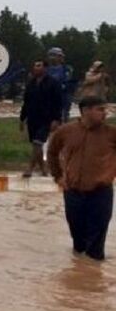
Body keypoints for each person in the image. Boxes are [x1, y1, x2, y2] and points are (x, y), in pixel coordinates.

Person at [48, 96, 116, 261]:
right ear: (85, 111)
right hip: (73, 192)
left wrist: (111, 172)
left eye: (104, 109)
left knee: (95, 246)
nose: (104, 113)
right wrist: (57, 176)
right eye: (100, 109)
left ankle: (93, 278)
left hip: (101, 193)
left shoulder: (111, 133)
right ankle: (80, 274)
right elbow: (52, 152)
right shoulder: (66, 131)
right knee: (78, 241)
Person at [19, 59, 63, 178]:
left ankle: (30, 168)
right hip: (33, 118)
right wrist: (22, 119)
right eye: (35, 66)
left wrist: (56, 119)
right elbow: (26, 102)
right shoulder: (31, 84)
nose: (36, 68)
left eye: (39, 66)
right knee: (35, 143)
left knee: (38, 142)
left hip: (46, 119)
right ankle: (43, 168)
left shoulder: (53, 83)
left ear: (45, 68)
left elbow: (58, 102)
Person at [46, 47, 76, 122]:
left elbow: (68, 82)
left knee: (63, 117)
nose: (61, 58)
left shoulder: (66, 69)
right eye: (59, 56)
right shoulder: (46, 69)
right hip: (48, 98)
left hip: (63, 97)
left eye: (61, 56)